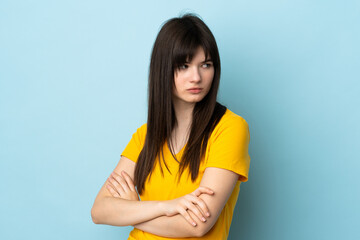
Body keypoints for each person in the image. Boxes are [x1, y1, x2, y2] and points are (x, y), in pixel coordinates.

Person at [91, 14, 251, 240]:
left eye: (205, 65)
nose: (196, 77)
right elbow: (99, 211)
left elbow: (196, 226)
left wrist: (132, 209)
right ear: (163, 69)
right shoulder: (145, 136)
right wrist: (165, 207)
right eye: (184, 66)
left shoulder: (230, 128)